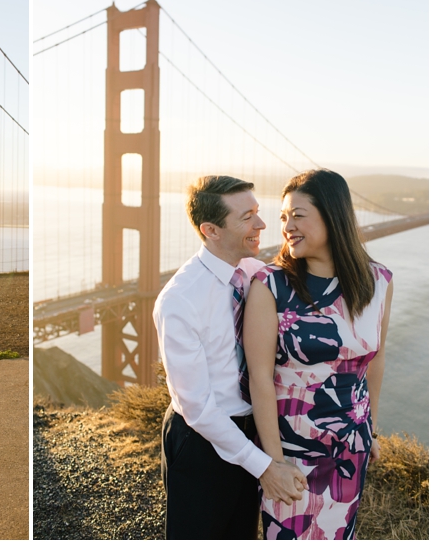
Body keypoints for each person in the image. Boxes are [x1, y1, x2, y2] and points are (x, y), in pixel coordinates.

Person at [153, 175, 307, 539]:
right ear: (211, 230)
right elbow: (199, 409)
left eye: (257, 212)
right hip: (200, 443)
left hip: (251, 432)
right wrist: (265, 467)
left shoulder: (254, 274)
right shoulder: (179, 301)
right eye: (246, 217)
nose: (262, 225)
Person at [243, 169, 393, 540]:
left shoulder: (379, 282)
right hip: (293, 453)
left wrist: (369, 429)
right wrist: (272, 464)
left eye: (298, 214)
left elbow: (374, 361)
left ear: (332, 214)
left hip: (351, 450)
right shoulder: (270, 285)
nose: (287, 225)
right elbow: (260, 378)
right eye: (283, 217)